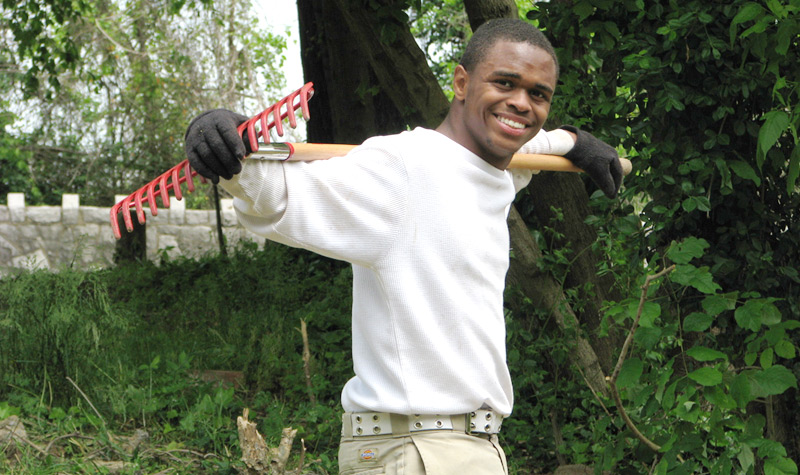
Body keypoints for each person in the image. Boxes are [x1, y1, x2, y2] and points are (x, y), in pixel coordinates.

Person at [185, 18, 622, 475]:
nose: (521, 103)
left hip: (458, 447)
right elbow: (280, 196)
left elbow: (530, 141)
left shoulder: (494, 170)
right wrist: (225, 144)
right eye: (505, 83)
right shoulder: (403, 169)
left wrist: (575, 141)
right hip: (421, 448)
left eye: (538, 94)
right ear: (461, 81)